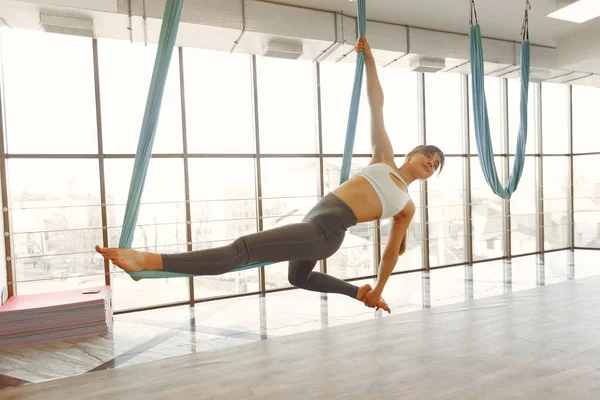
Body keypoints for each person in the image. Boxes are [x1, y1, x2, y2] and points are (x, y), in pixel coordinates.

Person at [96, 36, 444, 314]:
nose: (429, 164)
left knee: (242, 249)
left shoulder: (406, 206)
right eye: (427, 157)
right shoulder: (383, 158)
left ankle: (149, 260)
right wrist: (369, 61)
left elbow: (392, 253)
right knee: (300, 277)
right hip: (315, 219)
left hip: (326, 230)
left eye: (434, 166)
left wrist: (379, 290)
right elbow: (376, 105)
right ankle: (355, 292)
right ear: (411, 154)